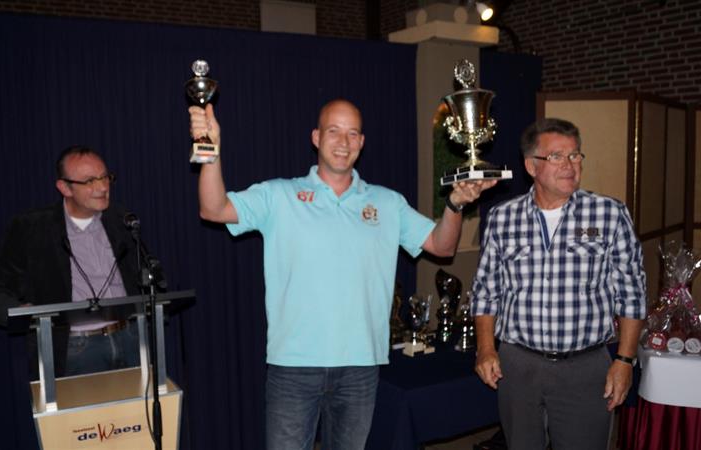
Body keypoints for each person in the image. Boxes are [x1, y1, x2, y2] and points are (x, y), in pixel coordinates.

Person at [190, 99, 495, 450]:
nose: (343, 142)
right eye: (333, 131)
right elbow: (213, 209)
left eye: (352, 133)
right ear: (316, 137)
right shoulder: (279, 194)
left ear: (361, 142)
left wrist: (455, 204)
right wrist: (209, 150)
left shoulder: (387, 202)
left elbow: (442, 246)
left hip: (359, 368)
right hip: (293, 367)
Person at [471, 118, 647, 450]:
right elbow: (486, 291)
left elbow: (632, 295)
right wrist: (485, 349)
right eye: (556, 156)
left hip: (585, 367)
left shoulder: (609, 214)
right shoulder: (502, 218)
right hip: (518, 365)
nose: (570, 164)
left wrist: (624, 361)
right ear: (531, 166)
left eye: (575, 155)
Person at [0, 146, 145, 379]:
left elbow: (145, 275)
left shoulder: (122, 219)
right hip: (75, 349)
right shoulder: (33, 228)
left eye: (105, 177)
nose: (102, 187)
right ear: (64, 188)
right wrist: (18, 312)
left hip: (129, 338)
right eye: (89, 181)